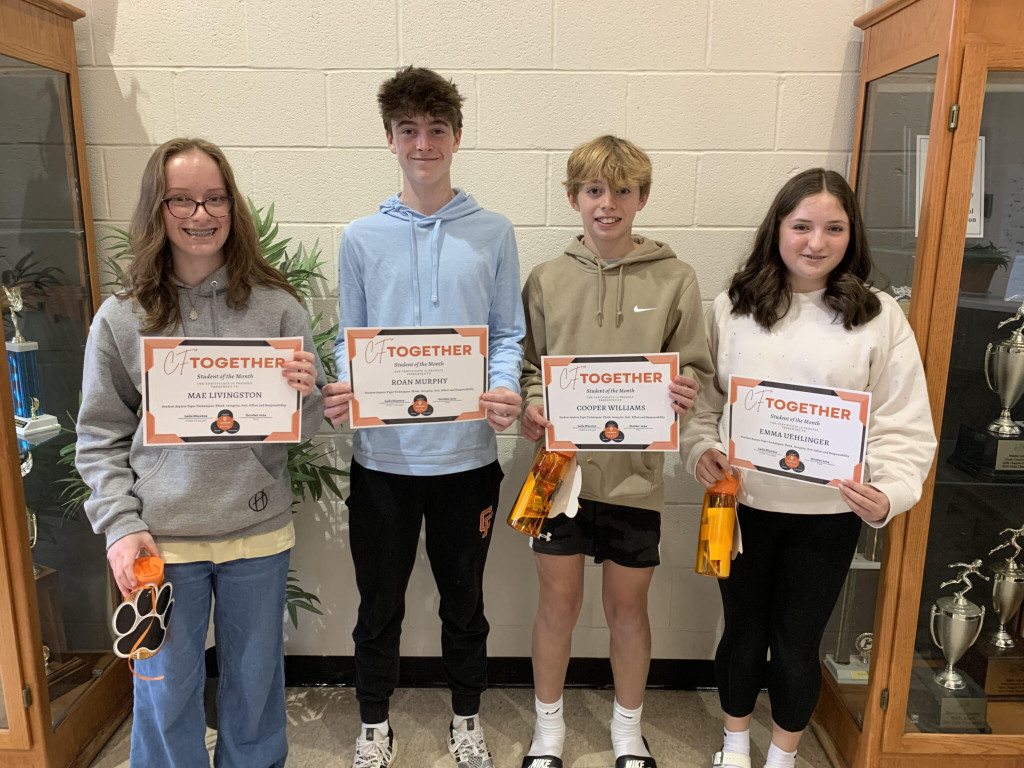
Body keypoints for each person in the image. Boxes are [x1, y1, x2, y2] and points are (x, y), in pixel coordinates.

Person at [76, 137, 325, 768]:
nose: (200, 214)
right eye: (181, 200)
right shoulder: (121, 318)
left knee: (256, 691)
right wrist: (119, 525)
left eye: (215, 199)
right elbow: (99, 435)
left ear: (232, 207)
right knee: (165, 694)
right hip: (161, 541)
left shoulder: (278, 308)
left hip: (257, 532)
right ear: (156, 209)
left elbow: (302, 429)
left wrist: (308, 396)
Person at [680, 168, 936, 768]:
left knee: (797, 643)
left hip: (828, 515)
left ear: (852, 235)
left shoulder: (879, 316)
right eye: (802, 226)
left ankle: (783, 756)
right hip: (740, 505)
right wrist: (700, 450)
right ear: (777, 229)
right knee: (742, 632)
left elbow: (902, 418)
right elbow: (704, 402)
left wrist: (892, 490)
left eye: (834, 228)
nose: (816, 243)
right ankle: (734, 746)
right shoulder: (731, 308)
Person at [322, 66, 525, 768]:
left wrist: (504, 388)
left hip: (468, 461)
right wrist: (347, 388)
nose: (423, 143)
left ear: (457, 137)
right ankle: (374, 725)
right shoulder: (360, 237)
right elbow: (350, 340)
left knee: (464, 603)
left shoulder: (493, 233)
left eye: (437, 129)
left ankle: (466, 719)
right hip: (383, 462)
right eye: (408, 129)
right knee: (378, 605)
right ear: (389, 139)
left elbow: (507, 334)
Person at [518, 135, 714, 768]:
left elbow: (696, 369)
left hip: (636, 480)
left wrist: (685, 389)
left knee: (628, 610)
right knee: (557, 607)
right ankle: (548, 732)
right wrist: (532, 404)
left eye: (623, 191)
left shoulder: (677, 279)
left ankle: (628, 732)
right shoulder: (546, 280)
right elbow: (528, 366)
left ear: (642, 198)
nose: (608, 203)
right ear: (573, 197)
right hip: (559, 477)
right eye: (594, 190)